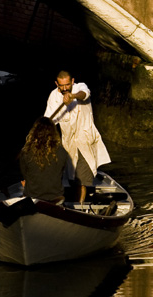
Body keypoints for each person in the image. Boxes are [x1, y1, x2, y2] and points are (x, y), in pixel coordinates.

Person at [44, 69, 111, 203]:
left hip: (84, 140)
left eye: (67, 85)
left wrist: (72, 96)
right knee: (70, 176)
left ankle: (79, 207)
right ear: (56, 83)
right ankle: (68, 203)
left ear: (72, 81)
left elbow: (84, 94)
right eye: (61, 85)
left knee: (81, 179)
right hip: (68, 143)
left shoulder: (80, 87)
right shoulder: (53, 96)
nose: (64, 88)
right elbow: (49, 119)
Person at [18, 116, 66, 204]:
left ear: (34, 131)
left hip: (32, 198)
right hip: (55, 198)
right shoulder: (61, 151)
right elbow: (61, 172)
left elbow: (25, 175)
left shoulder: (26, 151)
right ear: (54, 132)